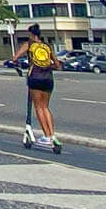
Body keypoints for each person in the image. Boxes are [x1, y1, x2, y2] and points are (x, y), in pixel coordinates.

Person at [20, 22, 62, 153]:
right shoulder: (47, 46)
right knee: (45, 107)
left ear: (31, 34)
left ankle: (46, 137)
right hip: (48, 79)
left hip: (35, 78)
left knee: (38, 107)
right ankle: (52, 135)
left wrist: (19, 64)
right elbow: (57, 65)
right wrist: (47, 66)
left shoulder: (29, 45)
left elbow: (15, 58)